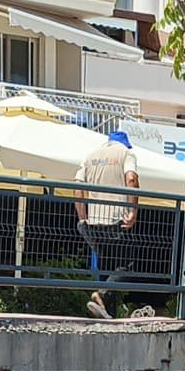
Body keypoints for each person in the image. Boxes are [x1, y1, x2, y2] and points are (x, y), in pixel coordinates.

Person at [77, 128, 140, 316]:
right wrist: (132, 211)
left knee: (106, 269)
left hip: (94, 222)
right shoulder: (126, 153)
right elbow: (132, 178)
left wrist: (82, 217)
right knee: (127, 266)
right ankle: (101, 295)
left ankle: (106, 315)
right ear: (124, 143)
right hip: (116, 220)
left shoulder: (90, 157)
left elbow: (77, 185)